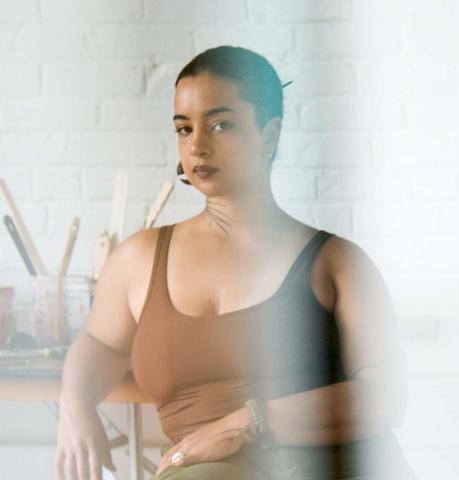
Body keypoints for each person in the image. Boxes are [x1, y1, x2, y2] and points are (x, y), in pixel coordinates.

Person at [55, 45, 416, 480]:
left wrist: (248, 423)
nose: (198, 145)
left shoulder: (336, 261)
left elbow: (387, 396)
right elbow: (99, 344)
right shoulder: (139, 258)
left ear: (270, 134)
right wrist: (74, 407)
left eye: (221, 124)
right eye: (184, 129)